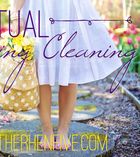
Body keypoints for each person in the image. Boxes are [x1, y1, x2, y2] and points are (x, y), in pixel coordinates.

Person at [10, 0, 122, 150]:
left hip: (68, 8)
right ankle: (47, 130)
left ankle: (63, 130)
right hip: (39, 8)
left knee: (69, 70)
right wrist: (16, 15)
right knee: (40, 71)